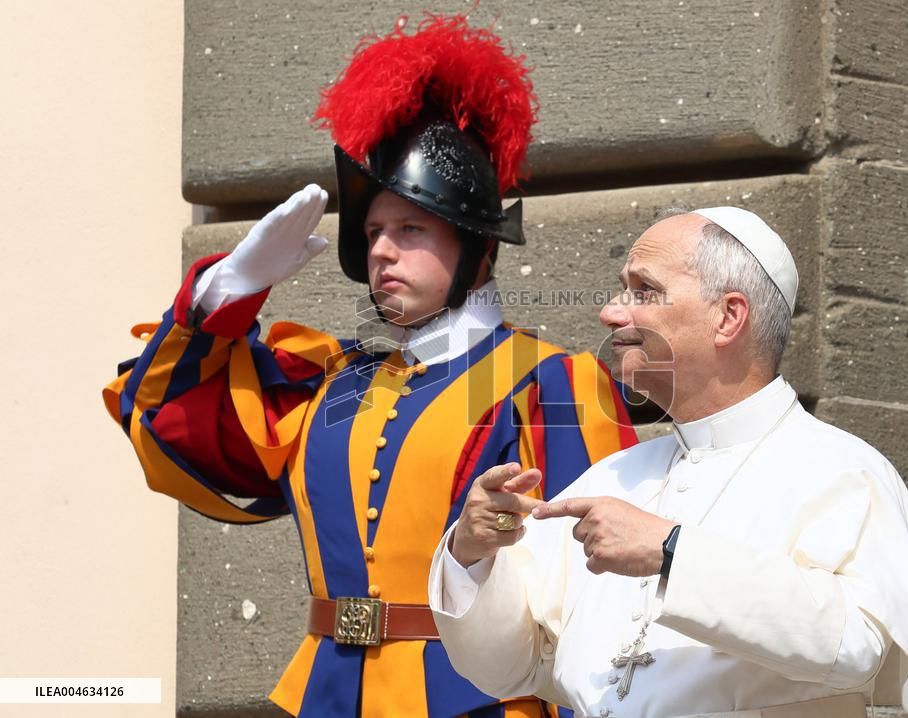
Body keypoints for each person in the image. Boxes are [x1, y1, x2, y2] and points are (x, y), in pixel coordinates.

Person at [103, 15, 636, 718]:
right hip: (325, 697)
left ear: (478, 248)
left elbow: (597, 600)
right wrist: (225, 295)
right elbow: (162, 412)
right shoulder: (331, 378)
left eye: (410, 228)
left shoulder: (551, 381)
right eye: (373, 231)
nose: (382, 251)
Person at [429, 208, 908, 718]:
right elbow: (509, 669)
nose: (611, 312)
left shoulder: (844, 472)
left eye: (645, 291)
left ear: (728, 316)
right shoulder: (614, 476)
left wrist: (672, 553)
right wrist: (472, 555)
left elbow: (858, 645)